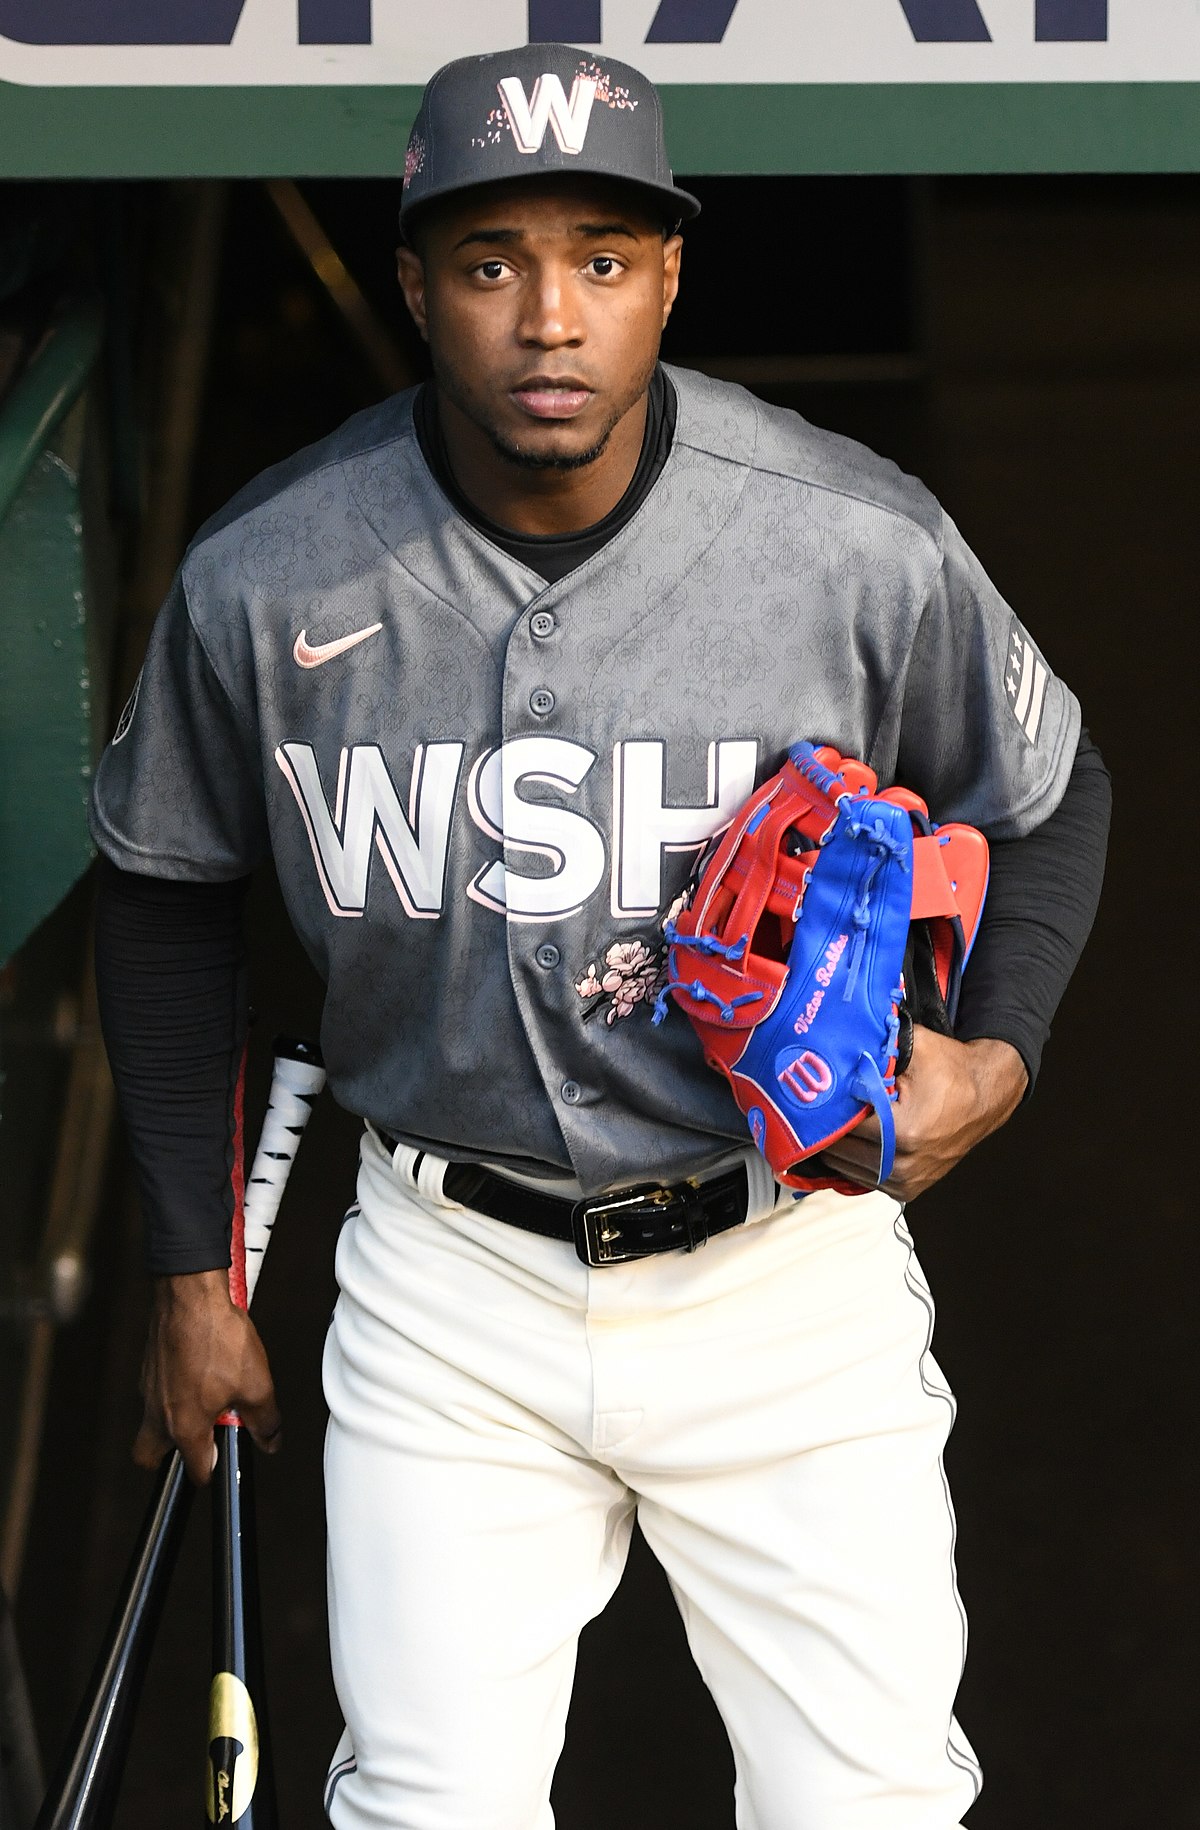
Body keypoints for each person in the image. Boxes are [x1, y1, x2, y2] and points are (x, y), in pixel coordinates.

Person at [90, 41, 1110, 1830]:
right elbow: (165, 885)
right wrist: (192, 1266)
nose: (549, 316)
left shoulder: (849, 539)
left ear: (671, 276)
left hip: (782, 1261)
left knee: (868, 1803)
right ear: (414, 287)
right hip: (447, 1278)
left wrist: (998, 1054)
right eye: (490, 264)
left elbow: (1052, 786)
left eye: (604, 258)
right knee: (427, 1806)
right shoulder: (272, 571)